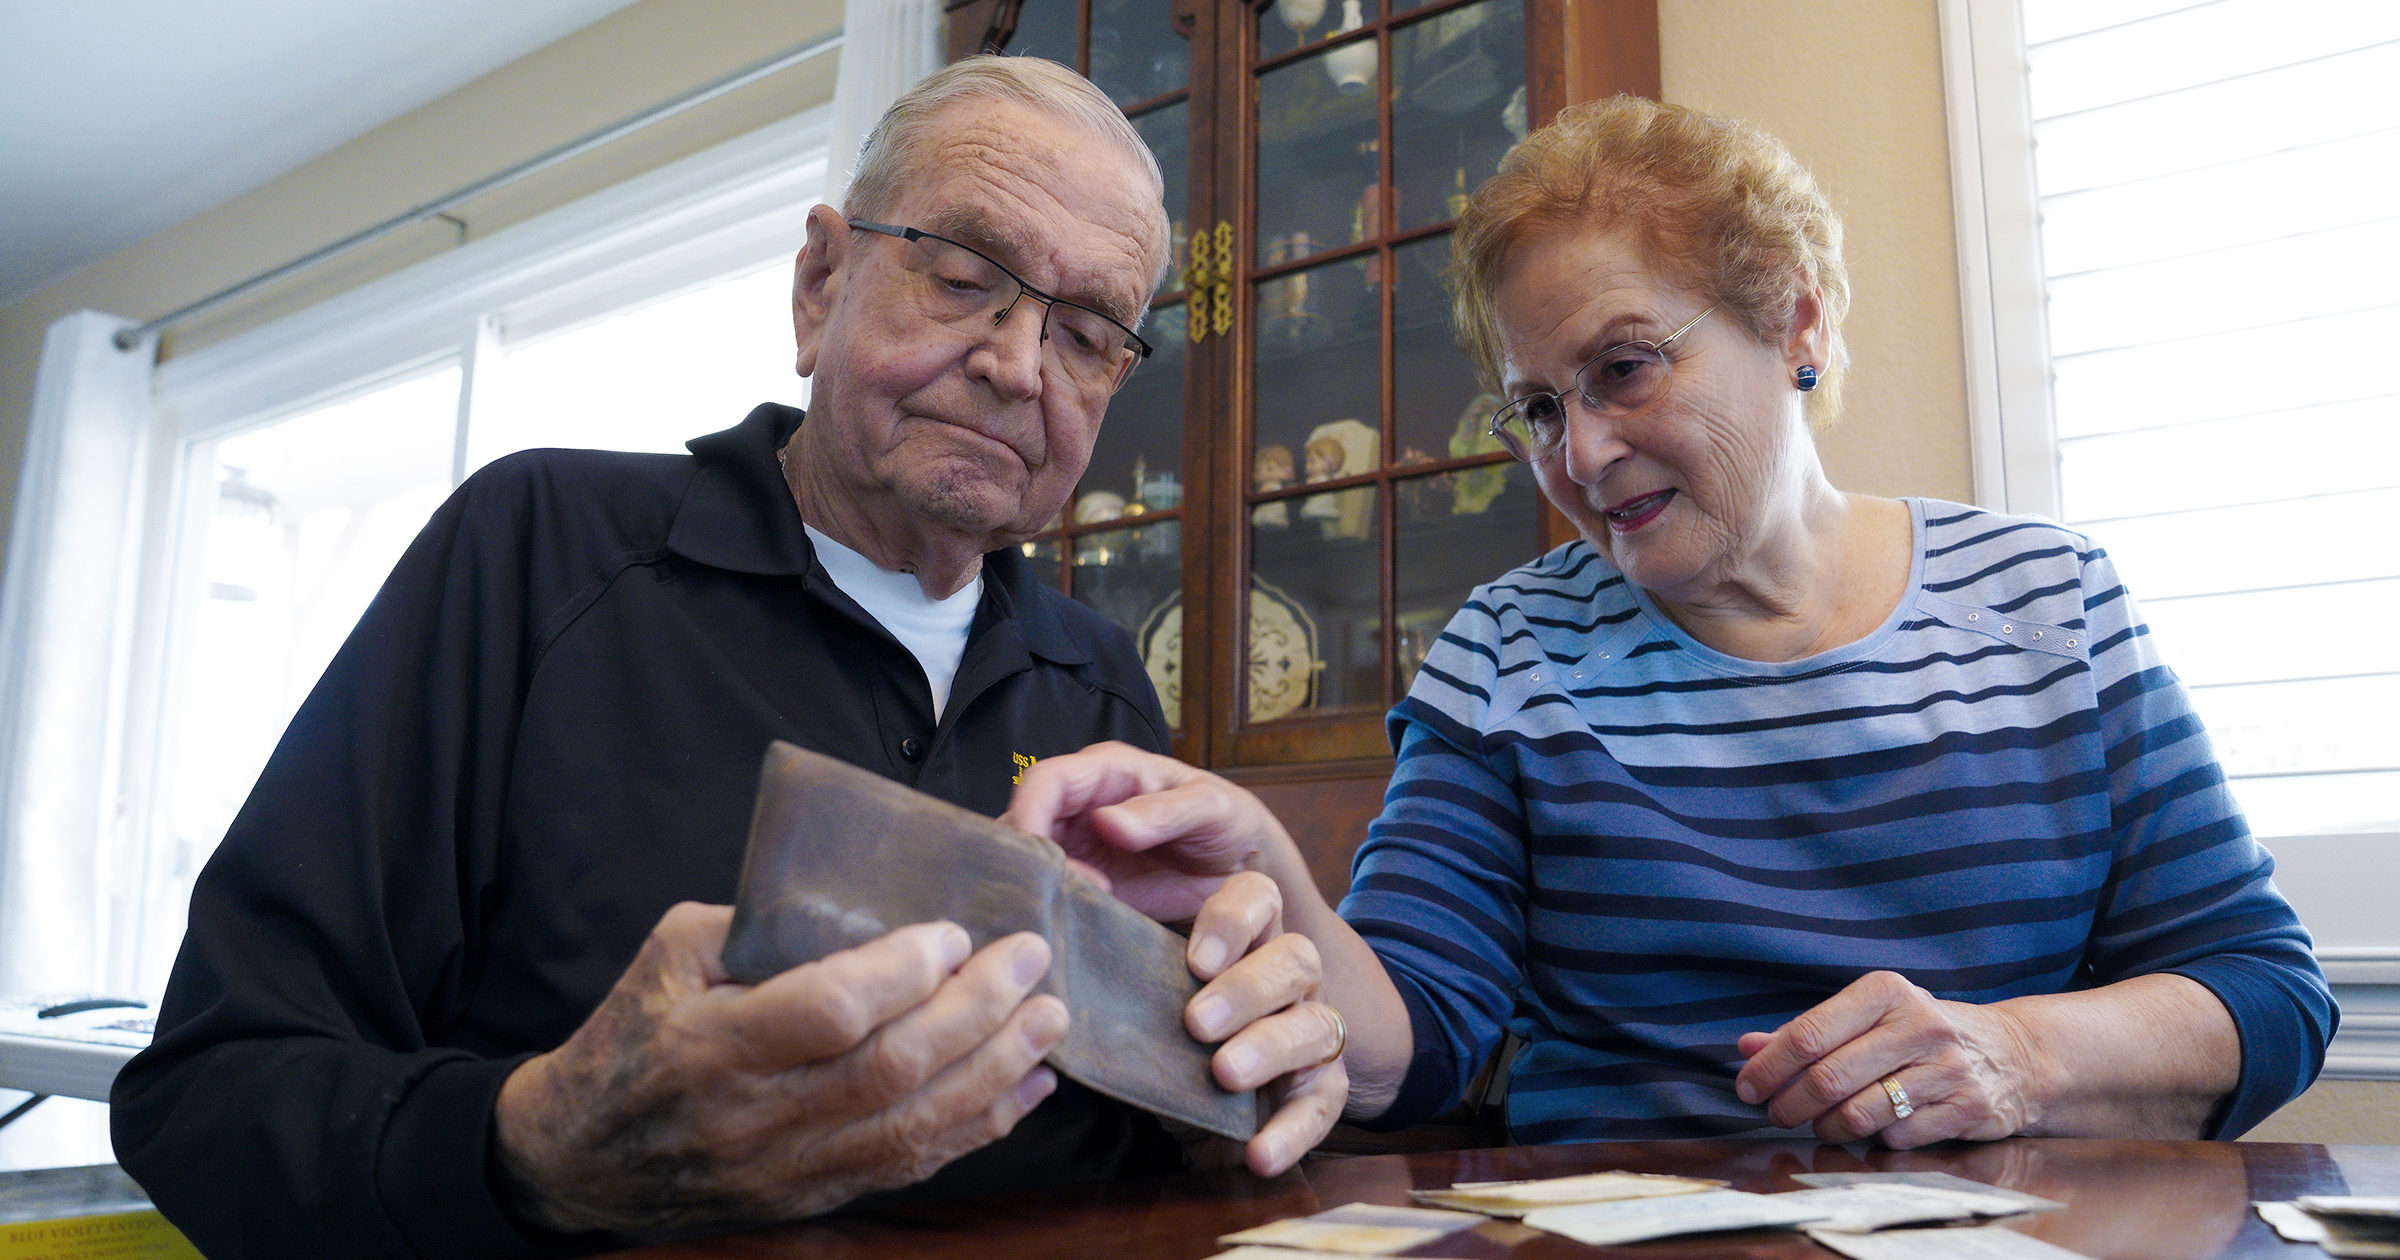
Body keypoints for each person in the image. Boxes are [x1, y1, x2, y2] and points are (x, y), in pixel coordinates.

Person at [110, 57, 1345, 1258]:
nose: (1018, 365)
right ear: (820, 283)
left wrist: (1239, 1070)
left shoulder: (1104, 685)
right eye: (967, 276)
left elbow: (1146, 1136)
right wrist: (537, 1149)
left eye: (1086, 335)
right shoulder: (537, 554)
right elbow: (206, 1099)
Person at [1004, 94, 2333, 1152]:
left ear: (1794, 320)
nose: (1578, 455)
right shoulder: (1508, 655)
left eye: (1625, 368)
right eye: (1536, 407)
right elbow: (1417, 1039)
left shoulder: (2052, 605)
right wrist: (1278, 892)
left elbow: (2264, 997)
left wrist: (2024, 1058)